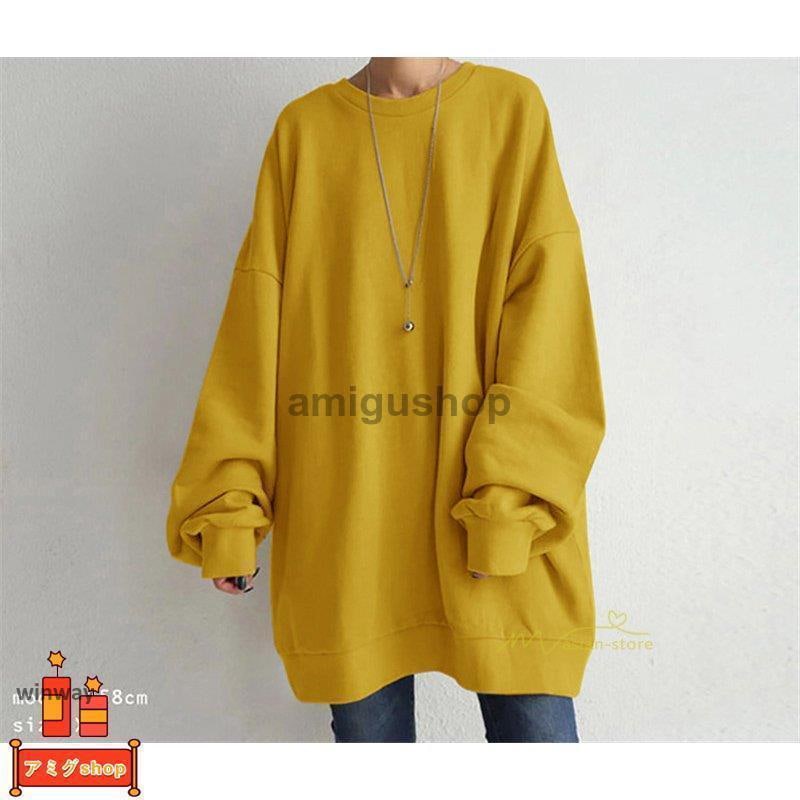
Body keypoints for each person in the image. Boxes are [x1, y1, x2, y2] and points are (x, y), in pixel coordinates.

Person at [166, 57, 605, 743]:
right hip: (348, 534)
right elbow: (252, 337)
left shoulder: (509, 110)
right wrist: (229, 512)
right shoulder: (305, 131)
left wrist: (507, 509)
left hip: (495, 527)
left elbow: (551, 329)